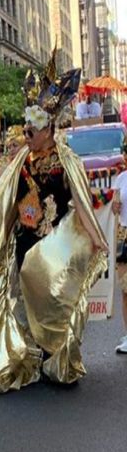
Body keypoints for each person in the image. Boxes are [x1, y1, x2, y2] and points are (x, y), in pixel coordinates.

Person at [0, 57, 108, 394]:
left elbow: (80, 202)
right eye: (25, 130)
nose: (26, 136)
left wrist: (96, 237)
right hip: (26, 240)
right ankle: (37, 354)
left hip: (56, 243)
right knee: (27, 299)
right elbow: (9, 204)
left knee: (56, 302)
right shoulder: (21, 161)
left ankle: (58, 358)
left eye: (31, 131)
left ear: (49, 129)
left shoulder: (66, 160)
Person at [109, 144, 127, 354]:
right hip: (124, 236)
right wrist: (114, 206)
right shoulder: (121, 178)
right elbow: (115, 206)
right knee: (125, 290)